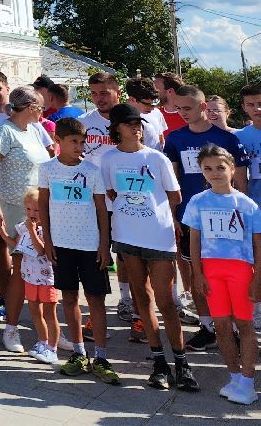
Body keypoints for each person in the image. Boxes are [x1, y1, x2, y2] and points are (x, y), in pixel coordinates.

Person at [102, 102, 196, 392]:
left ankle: (182, 364)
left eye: (139, 123)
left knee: (166, 302)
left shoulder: (156, 159)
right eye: (130, 124)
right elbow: (110, 194)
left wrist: (159, 217)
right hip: (127, 237)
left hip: (158, 238)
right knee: (142, 300)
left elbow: (175, 196)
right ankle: (158, 363)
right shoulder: (108, 159)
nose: (136, 128)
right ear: (117, 129)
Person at [163, 83, 246, 353]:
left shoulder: (227, 140)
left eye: (188, 108)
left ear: (202, 107)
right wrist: (174, 215)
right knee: (197, 273)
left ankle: (232, 328)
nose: (182, 113)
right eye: (178, 109)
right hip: (192, 218)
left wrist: (242, 217)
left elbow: (241, 182)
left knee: (227, 276)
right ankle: (208, 326)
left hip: (226, 220)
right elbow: (172, 182)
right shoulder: (174, 139)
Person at [38, 115, 119, 384]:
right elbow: (43, 207)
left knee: (95, 299)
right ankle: (78, 352)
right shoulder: (47, 169)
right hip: (61, 245)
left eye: (82, 142)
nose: (79, 146)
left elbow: (101, 210)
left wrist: (104, 245)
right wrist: (47, 241)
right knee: (69, 298)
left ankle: (102, 356)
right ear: (58, 141)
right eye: (74, 141)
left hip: (90, 245)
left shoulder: (92, 171)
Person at [181, 144, 261, 405]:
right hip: (211, 272)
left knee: (245, 325)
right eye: (208, 168)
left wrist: (257, 277)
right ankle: (235, 377)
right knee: (222, 326)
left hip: (240, 271)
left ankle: (248, 382)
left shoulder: (247, 204)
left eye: (220, 167)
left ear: (231, 169)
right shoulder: (198, 202)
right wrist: (198, 274)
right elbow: (194, 241)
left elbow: (258, 244)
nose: (215, 173)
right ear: (201, 171)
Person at [0, 85, 54, 353]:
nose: (42, 111)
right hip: (15, 208)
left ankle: (49, 333)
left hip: (41, 208)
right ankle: (11, 328)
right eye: (39, 106)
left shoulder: (36, 130)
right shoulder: (3, 130)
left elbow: (48, 160)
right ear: (30, 107)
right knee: (21, 269)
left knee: (46, 267)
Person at [9, 187, 61, 364]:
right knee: (34, 312)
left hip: (47, 279)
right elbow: (16, 245)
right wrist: (1, 232)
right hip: (29, 276)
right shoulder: (24, 227)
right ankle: (42, 342)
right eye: (29, 209)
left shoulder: (49, 227)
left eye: (37, 210)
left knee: (49, 313)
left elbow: (41, 251)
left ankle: (52, 348)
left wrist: (32, 230)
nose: (32, 213)